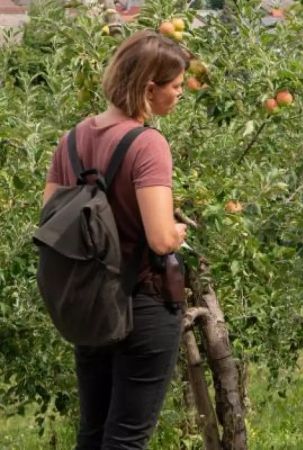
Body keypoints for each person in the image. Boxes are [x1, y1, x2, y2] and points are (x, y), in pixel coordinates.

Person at [42, 31, 190, 449]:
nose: (180, 94)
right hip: (142, 299)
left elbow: (50, 218)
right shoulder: (148, 144)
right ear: (149, 88)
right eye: (175, 86)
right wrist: (179, 229)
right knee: (127, 436)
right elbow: (160, 239)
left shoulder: (70, 140)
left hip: (89, 302)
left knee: (93, 430)